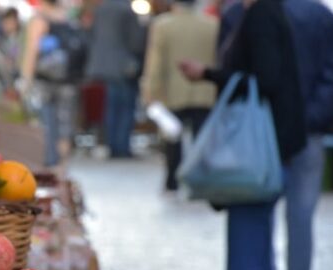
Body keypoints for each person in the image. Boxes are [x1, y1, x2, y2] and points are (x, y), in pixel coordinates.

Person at [180, 0, 306, 270]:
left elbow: (266, 80)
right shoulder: (264, 12)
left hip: (256, 162)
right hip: (263, 160)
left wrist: (208, 74)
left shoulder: (262, 14)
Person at [219, 0, 333, 270]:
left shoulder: (244, 13)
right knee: (299, 221)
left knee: (258, 232)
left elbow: (239, 75)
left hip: (260, 135)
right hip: (305, 131)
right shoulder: (320, 15)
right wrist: (312, 118)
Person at [141, 0, 218, 191]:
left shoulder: (163, 25)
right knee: (202, 138)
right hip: (205, 90)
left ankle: (172, 180)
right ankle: (202, 179)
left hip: (173, 91)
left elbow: (156, 62)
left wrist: (150, 91)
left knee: (172, 139)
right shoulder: (212, 24)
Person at [19, 0, 84, 167]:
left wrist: (25, 79)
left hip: (45, 83)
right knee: (64, 128)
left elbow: (32, 51)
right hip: (68, 82)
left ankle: (49, 168)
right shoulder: (67, 17)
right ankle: (63, 171)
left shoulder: (40, 19)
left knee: (45, 125)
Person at [85, 0, 144, 158]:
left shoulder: (101, 9)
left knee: (111, 108)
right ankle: (122, 147)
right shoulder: (127, 11)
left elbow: (92, 36)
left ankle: (112, 145)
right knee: (126, 108)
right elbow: (136, 42)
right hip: (124, 67)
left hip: (104, 66)